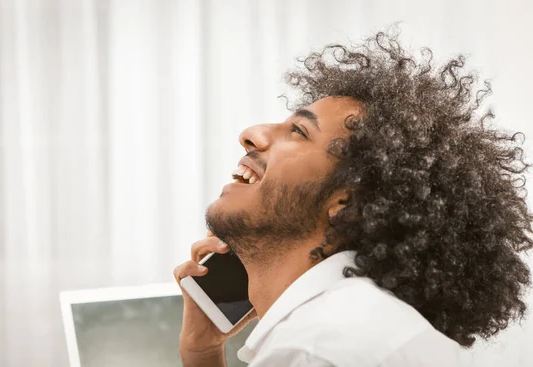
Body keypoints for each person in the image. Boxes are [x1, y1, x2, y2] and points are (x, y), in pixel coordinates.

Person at [173, 30, 532, 367]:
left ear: (346, 203)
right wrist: (202, 352)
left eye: (299, 131)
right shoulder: (350, 327)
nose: (251, 134)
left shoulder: (319, 348)